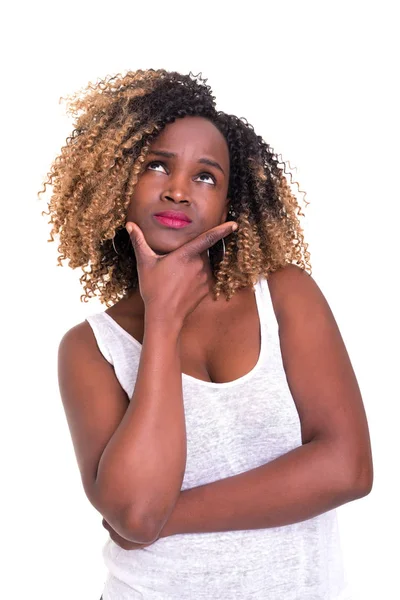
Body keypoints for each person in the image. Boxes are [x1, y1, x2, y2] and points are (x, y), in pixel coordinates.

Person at [40, 69, 373, 599]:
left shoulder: (285, 297)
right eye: (156, 165)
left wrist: (167, 521)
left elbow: (347, 468)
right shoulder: (89, 348)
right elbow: (134, 510)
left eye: (205, 176)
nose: (177, 190)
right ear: (114, 181)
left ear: (229, 201)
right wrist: (162, 321)